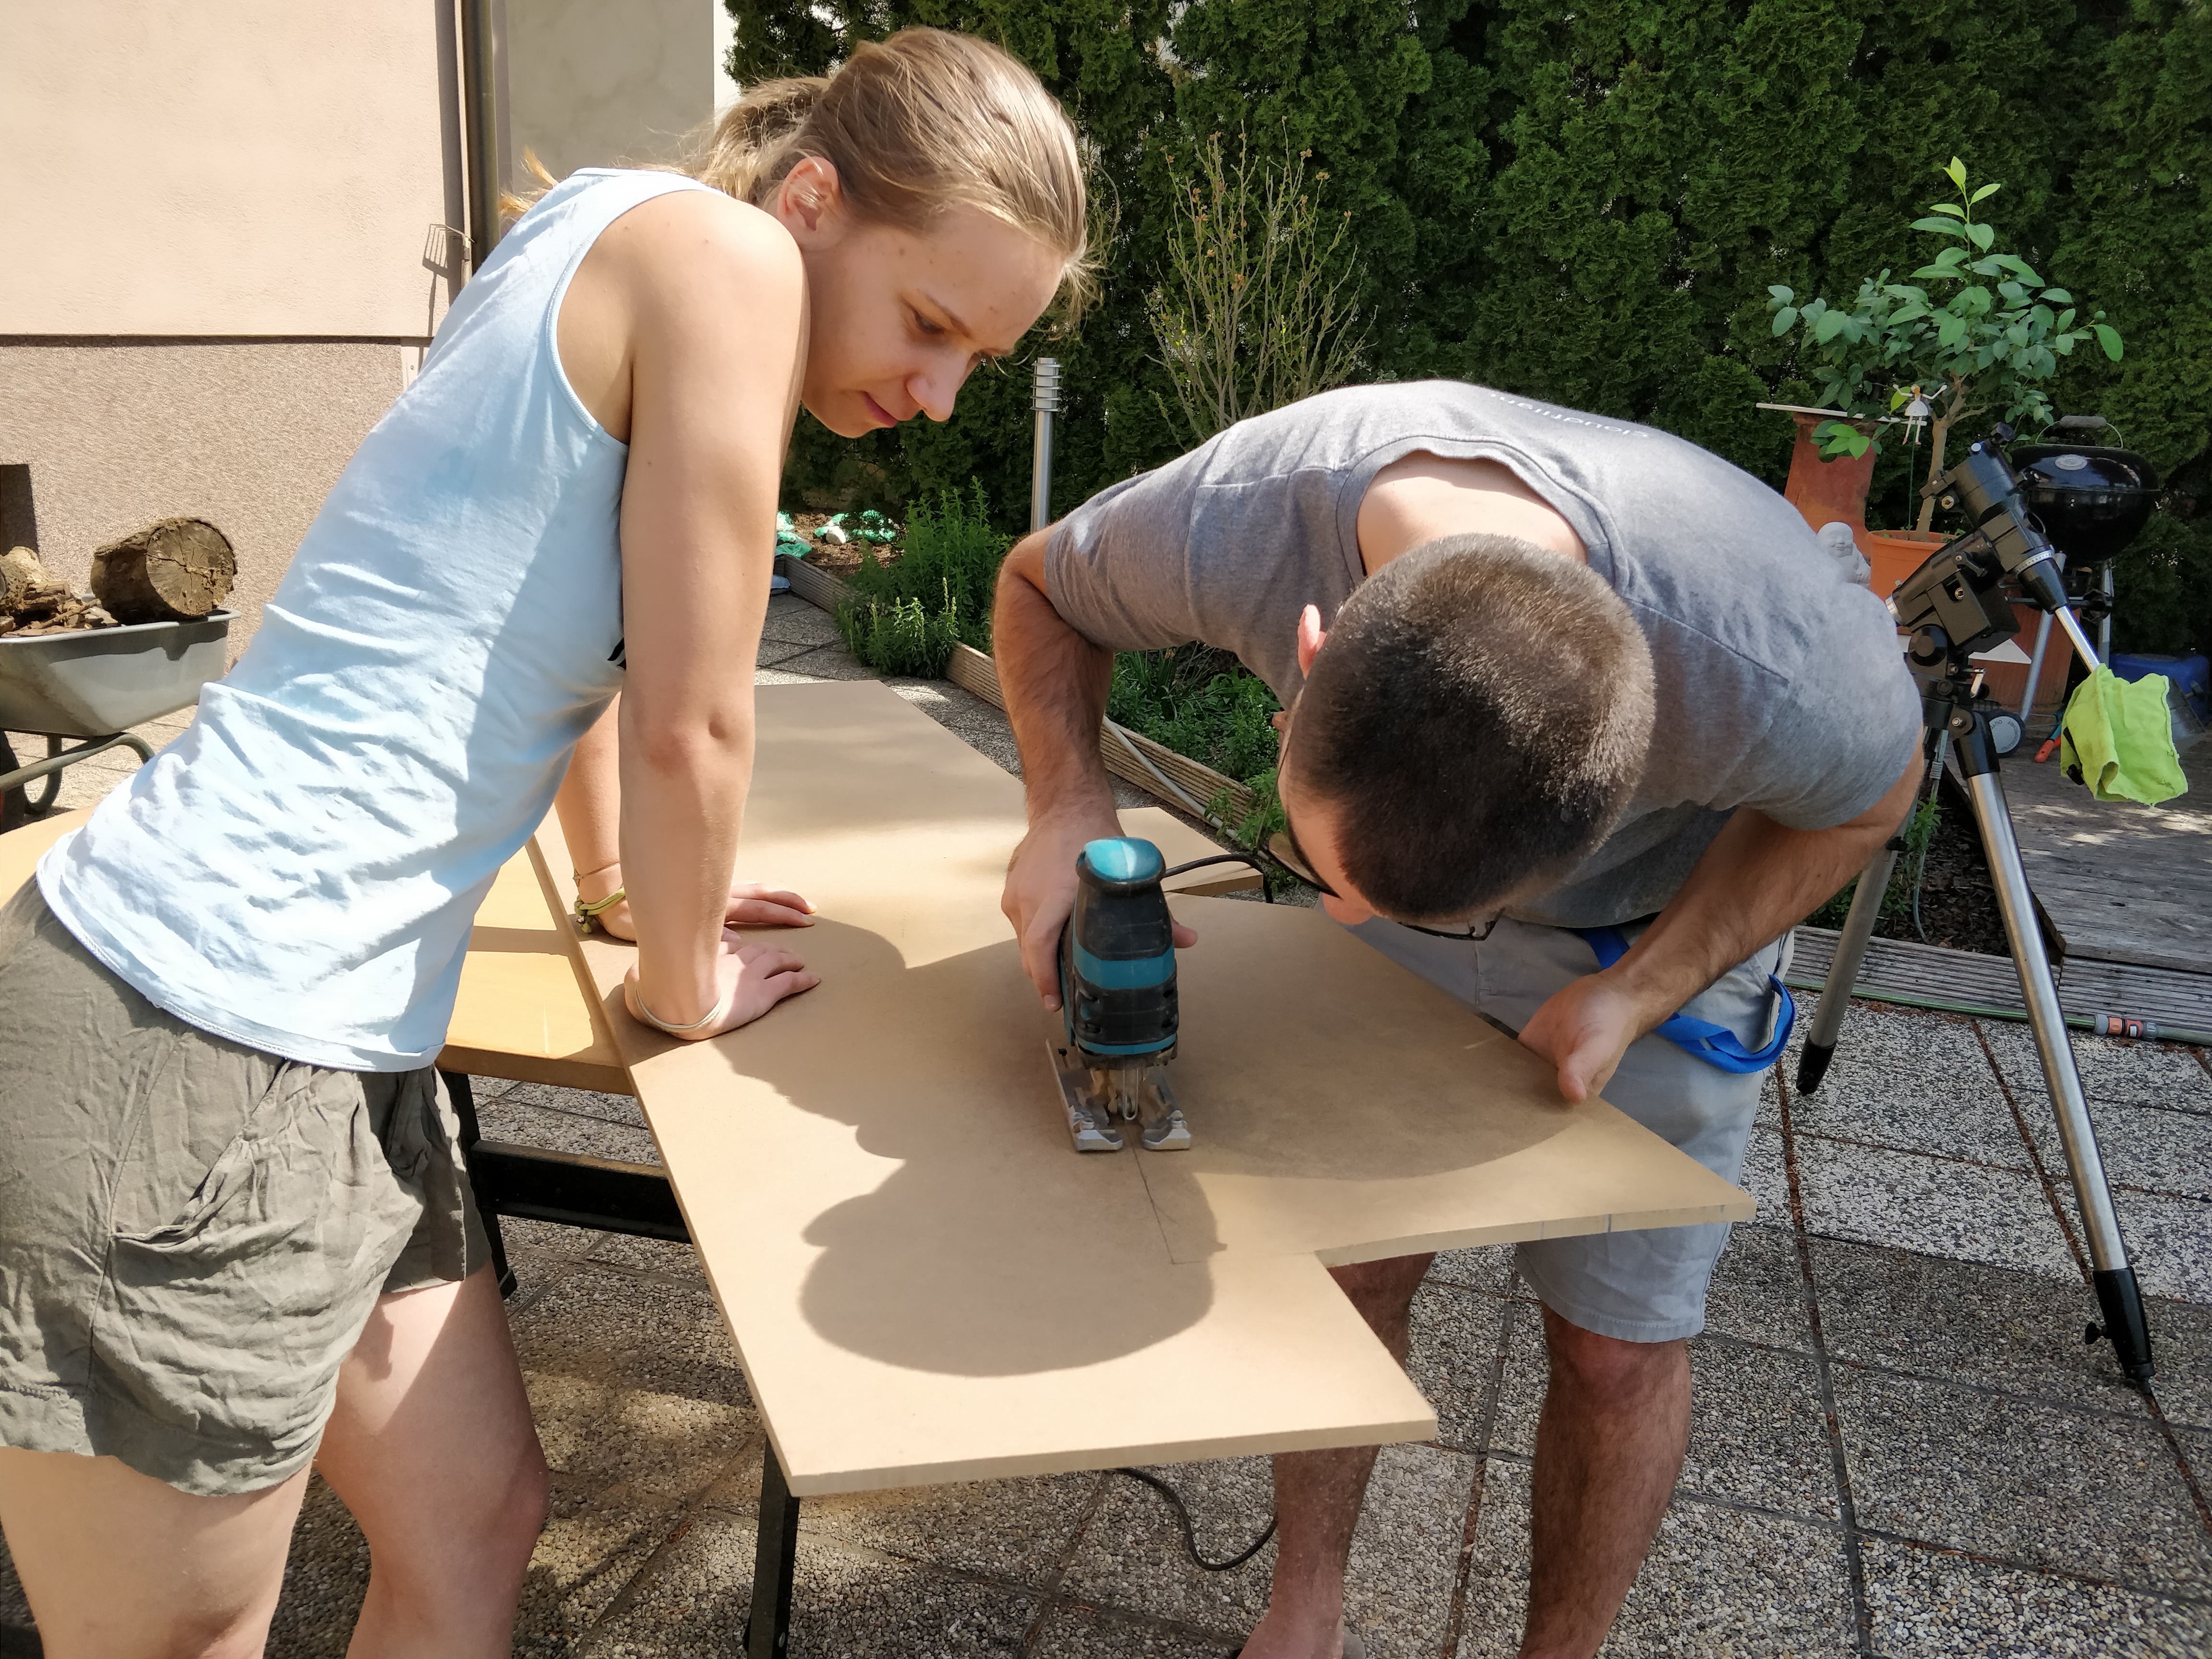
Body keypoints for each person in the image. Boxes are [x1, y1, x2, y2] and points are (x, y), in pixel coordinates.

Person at [0, 29, 1087, 1656]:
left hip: (326, 1043)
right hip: (197, 1032)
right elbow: (695, 721)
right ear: (811, 200)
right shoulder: (729, 264)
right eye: (930, 322)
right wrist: (683, 975)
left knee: (477, 1518)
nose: (933, 394)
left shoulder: (604, 218)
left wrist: (617, 888)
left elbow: (576, 650)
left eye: (974, 364)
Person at [994, 380, 1921, 1659]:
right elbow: (1040, 586)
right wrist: (1065, 809)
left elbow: (1869, 804)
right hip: (1531, 894)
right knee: (1352, 1273)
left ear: (1634, 787)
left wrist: (1639, 985)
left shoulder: (1779, 669)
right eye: (1327, 872)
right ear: (1311, 649)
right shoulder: (1246, 519)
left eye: (1361, 894)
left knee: (1618, 1349)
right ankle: (1303, 1614)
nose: (1334, 916)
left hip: (1642, 937)